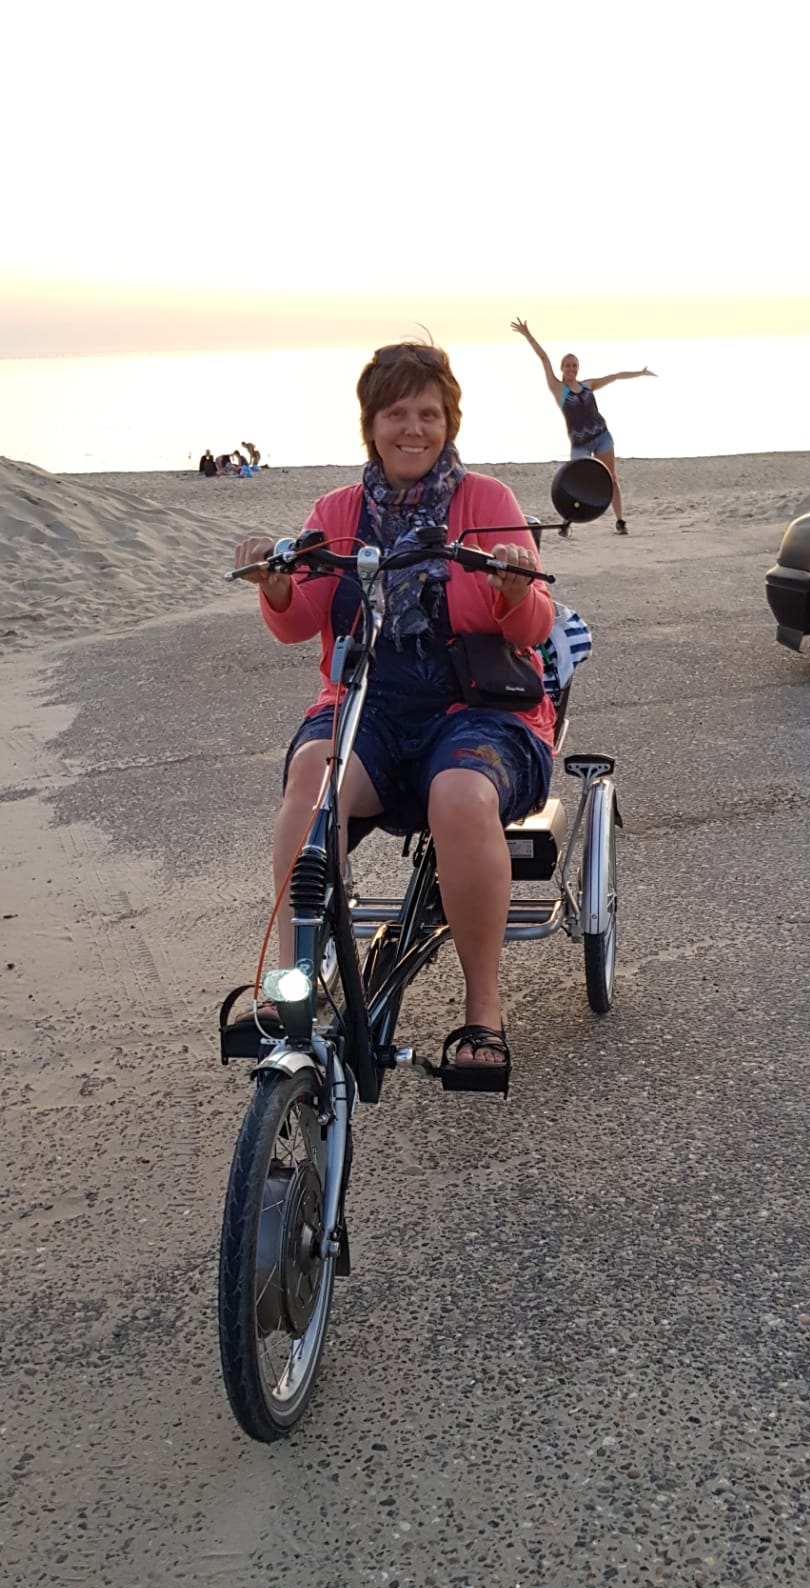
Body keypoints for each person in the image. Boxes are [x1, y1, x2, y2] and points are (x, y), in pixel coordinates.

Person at [232, 341, 556, 1080]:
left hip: (478, 709)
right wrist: (275, 587)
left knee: (461, 795)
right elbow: (299, 617)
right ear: (371, 424)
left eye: (428, 414)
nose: (413, 429)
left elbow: (533, 624)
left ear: (449, 422)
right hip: (367, 706)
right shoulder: (336, 512)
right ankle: (296, 981)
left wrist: (514, 590)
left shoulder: (487, 502)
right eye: (396, 414)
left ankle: (483, 1009)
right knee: (311, 779)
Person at [511, 317, 655, 533]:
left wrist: (640, 373)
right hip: (580, 444)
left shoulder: (587, 386)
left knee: (611, 479)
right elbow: (543, 358)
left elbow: (615, 376)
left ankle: (620, 521)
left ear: (578, 368)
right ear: (562, 368)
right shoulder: (558, 389)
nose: (571, 369)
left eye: (574, 365)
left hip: (602, 437)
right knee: (574, 483)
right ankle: (567, 523)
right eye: (568, 365)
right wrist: (527, 334)